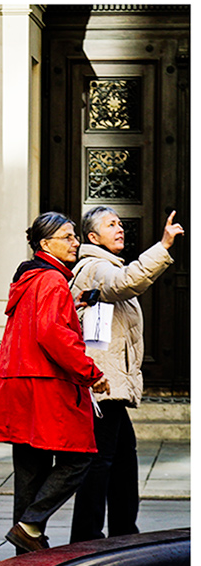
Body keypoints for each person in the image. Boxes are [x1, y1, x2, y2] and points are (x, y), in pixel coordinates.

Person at [0, 212, 110, 553]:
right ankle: (29, 526)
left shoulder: (30, 278)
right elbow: (52, 333)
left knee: (30, 469)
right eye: (68, 237)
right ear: (46, 244)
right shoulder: (53, 280)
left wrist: (74, 304)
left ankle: (22, 556)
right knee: (79, 458)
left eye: (75, 236)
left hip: (17, 382)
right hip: (44, 383)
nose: (76, 242)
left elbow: (39, 324)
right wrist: (92, 374)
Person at [69, 208, 184, 543]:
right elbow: (125, 283)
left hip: (111, 384)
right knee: (102, 464)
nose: (119, 228)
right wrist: (162, 246)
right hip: (104, 386)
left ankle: (120, 534)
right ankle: (89, 538)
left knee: (120, 462)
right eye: (110, 225)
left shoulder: (103, 265)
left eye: (120, 223)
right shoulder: (97, 267)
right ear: (93, 238)